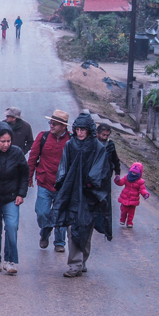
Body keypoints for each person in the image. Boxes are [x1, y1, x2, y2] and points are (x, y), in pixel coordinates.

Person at [52, 113, 107, 277]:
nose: (80, 132)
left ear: (89, 130)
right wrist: (62, 185)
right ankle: (75, 264)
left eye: (83, 129)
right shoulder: (70, 146)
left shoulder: (98, 148)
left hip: (90, 195)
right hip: (72, 193)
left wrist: (91, 183)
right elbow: (64, 167)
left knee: (85, 228)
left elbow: (100, 170)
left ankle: (82, 261)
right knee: (72, 228)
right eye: (77, 129)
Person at [0, 123, 29, 275]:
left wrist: (21, 194)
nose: (6, 144)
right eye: (2, 141)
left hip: (11, 196)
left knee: (11, 227)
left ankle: (10, 261)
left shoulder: (17, 153)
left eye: (8, 141)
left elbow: (24, 174)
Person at [28, 109, 71, 252]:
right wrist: (29, 177)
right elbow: (33, 157)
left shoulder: (71, 140)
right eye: (51, 123)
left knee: (61, 214)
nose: (51, 126)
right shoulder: (43, 137)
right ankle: (45, 232)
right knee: (42, 212)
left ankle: (59, 242)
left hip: (63, 185)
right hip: (44, 181)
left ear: (63, 127)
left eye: (55, 124)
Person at [94, 123, 121, 240]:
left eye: (107, 135)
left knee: (104, 201)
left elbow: (115, 158)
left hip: (105, 177)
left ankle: (102, 225)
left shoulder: (110, 145)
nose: (105, 137)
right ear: (97, 133)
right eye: (103, 134)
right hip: (93, 177)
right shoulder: (92, 144)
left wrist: (117, 172)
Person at [114, 162, 150, 228]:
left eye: (135, 173)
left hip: (133, 200)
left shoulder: (140, 182)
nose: (134, 174)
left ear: (139, 173)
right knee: (123, 210)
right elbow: (121, 183)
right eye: (133, 172)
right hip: (125, 197)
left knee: (131, 212)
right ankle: (122, 220)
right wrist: (117, 180)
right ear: (130, 171)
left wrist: (145, 194)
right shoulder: (126, 177)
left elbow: (142, 189)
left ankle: (129, 222)